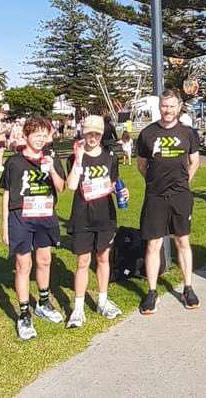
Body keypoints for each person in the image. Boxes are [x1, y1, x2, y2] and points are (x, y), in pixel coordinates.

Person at [0, 116, 67, 340]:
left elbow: (62, 188)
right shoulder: (14, 162)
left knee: (45, 260)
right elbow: (7, 193)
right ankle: (24, 313)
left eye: (43, 134)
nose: (39, 138)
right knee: (22, 264)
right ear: (26, 135)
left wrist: (52, 170)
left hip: (45, 214)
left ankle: (44, 303)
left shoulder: (51, 158)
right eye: (35, 133)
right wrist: (5, 225)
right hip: (21, 216)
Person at [136, 89, 202, 313]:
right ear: (159, 107)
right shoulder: (147, 134)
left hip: (181, 196)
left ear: (179, 107)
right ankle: (152, 291)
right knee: (153, 243)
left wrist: (184, 183)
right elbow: (141, 166)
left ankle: (188, 287)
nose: (168, 110)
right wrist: (155, 183)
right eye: (164, 106)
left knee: (182, 241)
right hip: (155, 197)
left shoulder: (188, 133)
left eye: (172, 106)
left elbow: (194, 162)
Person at [64, 115, 128, 327]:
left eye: (97, 134)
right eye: (89, 133)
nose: (92, 137)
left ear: (102, 135)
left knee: (103, 258)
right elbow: (71, 185)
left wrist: (122, 191)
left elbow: (113, 184)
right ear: (83, 132)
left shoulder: (111, 158)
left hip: (105, 215)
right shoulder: (74, 157)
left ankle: (102, 300)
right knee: (83, 262)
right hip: (82, 215)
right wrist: (80, 159)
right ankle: (79, 307)